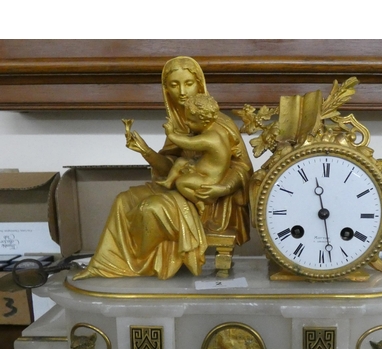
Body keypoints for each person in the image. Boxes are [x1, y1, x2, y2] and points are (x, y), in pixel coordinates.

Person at [73, 56, 252, 280]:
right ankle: (104, 266)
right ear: (166, 89)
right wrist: (147, 152)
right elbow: (169, 166)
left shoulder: (220, 124)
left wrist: (222, 188)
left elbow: (242, 166)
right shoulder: (179, 123)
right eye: (174, 85)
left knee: (150, 209)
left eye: (188, 83)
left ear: (200, 84)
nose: (182, 92)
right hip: (179, 188)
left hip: (209, 200)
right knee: (123, 200)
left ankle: (135, 265)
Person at [161, 93, 232, 215]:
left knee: (181, 183)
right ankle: (168, 182)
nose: (187, 123)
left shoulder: (209, 139)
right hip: (199, 169)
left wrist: (171, 134)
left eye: (191, 121)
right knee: (181, 161)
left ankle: (198, 201)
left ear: (205, 121)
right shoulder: (216, 131)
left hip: (208, 179)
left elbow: (188, 143)